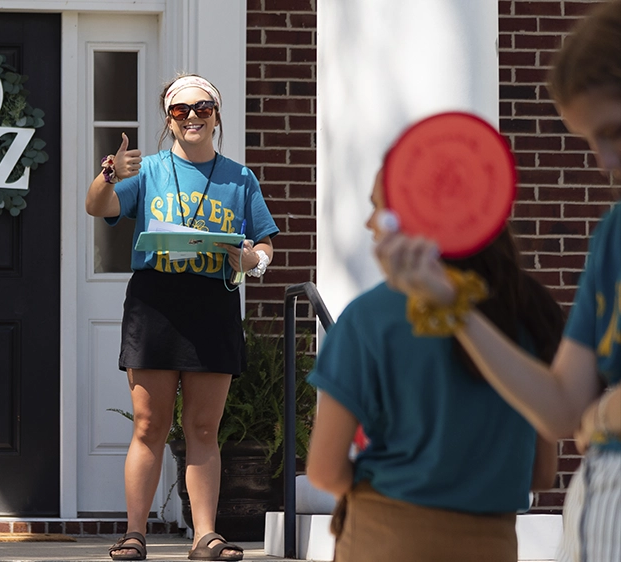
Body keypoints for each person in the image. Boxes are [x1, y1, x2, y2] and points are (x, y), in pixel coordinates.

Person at [373, 2, 621, 560]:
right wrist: (452, 306)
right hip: (596, 511)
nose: (605, 160)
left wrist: (605, 413)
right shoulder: (613, 234)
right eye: (589, 140)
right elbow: (561, 409)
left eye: (614, 130)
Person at [304, 168, 561, 561]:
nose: (369, 222)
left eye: (380, 208)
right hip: (492, 543)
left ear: (417, 216)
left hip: (384, 537)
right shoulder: (529, 311)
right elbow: (541, 473)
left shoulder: (369, 317)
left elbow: (324, 469)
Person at [85, 74, 278, 561]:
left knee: (204, 428)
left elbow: (263, 242)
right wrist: (109, 173)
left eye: (203, 108)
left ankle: (204, 536)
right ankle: (135, 534)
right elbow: (96, 207)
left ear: (216, 114)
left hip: (213, 302)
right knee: (149, 424)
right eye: (180, 110)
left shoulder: (239, 177)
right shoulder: (145, 169)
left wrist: (251, 261)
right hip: (156, 301)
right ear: (169, 118)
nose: (193, 117)